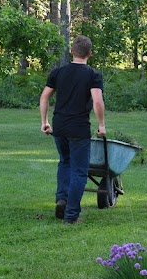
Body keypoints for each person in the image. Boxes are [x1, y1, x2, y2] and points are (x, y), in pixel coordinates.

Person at [39, 35, 106, 224]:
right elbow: (98, 101)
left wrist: (44, 121)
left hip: (59, 126)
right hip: (79, 128)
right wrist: (101, 125)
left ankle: (62, 199)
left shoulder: (58, 72)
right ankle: (71, 214)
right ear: (90, 54)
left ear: (71, 52)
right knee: (78, 170)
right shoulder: (93, 75)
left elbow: (44, 97)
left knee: (64, 162)